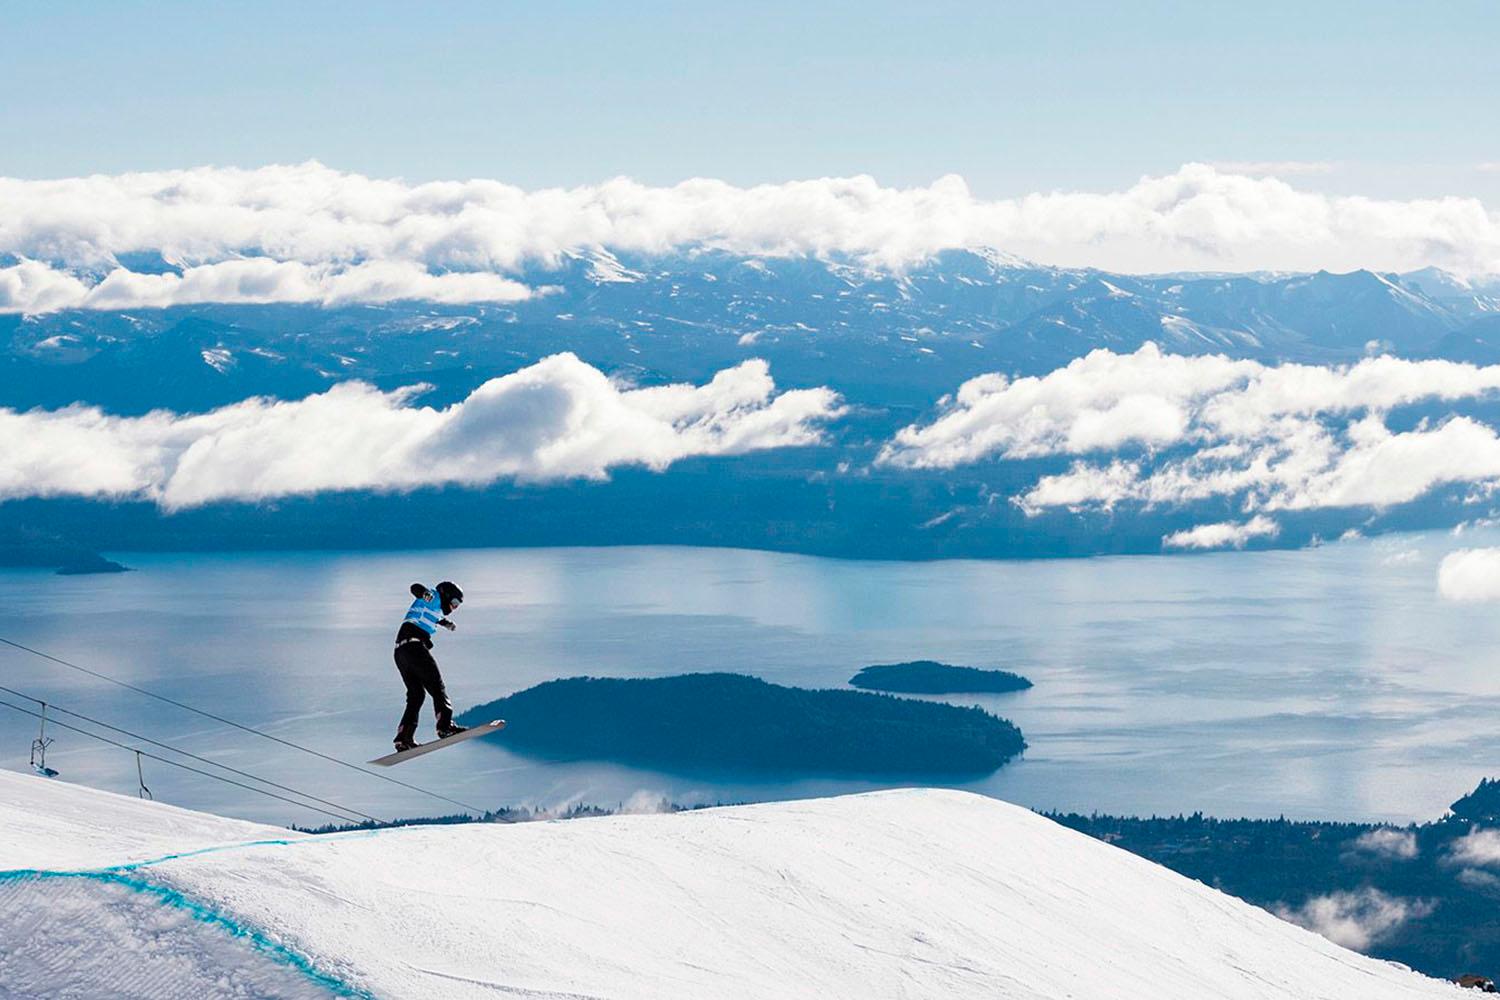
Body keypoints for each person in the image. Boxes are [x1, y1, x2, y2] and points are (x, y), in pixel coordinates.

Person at [393, 581, 466, 751]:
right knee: (436, 685)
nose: (455, 607)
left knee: (416, 695)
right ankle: (445, 727)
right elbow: (415, 588)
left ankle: (404, 738)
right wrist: (424, 592)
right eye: (455, 603)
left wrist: (445, 623)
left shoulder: (434, 608)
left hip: (400, 652)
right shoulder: (432, 597)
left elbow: (434, 615)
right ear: (447, 595)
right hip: (414, 647)